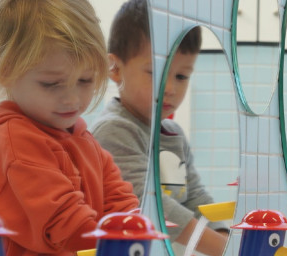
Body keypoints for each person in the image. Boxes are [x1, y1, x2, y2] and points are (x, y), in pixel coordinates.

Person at [0, 0, 140, 255]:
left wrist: (132, 225)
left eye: (85, 80)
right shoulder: (15, 140)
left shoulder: (77, 133)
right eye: (51, 84)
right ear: (4, 72)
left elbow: (117, 198)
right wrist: (125, 243)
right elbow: (65, 224)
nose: (72, 99)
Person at [89, 0, 228, 255]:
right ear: (116, 69)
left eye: (181, 76)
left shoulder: (174, 134)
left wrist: (224, 235)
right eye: (155, 72)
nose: (171, 88)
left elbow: (195, 196)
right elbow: (149, 203)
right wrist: (223, 248)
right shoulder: (113, 131)